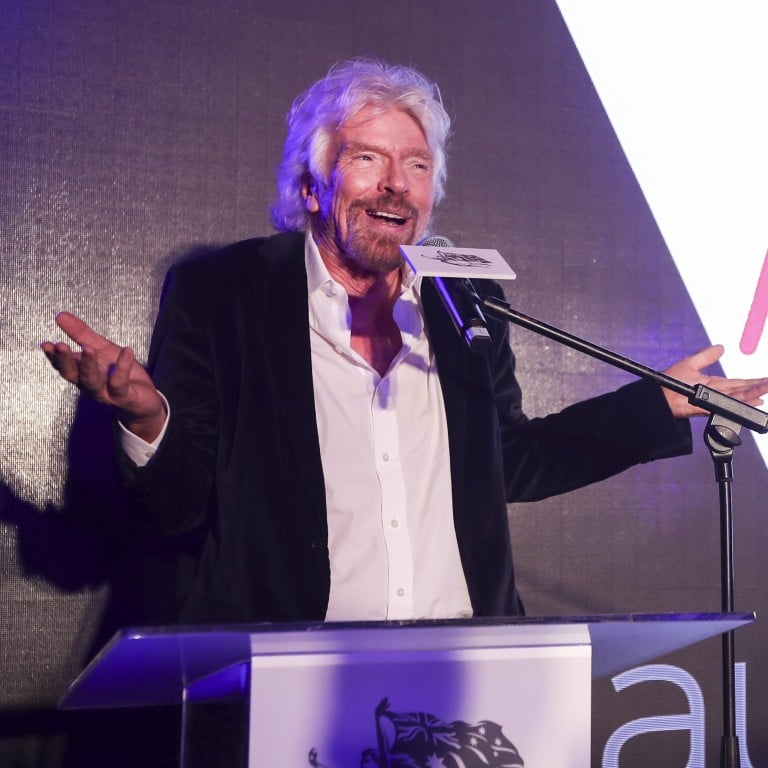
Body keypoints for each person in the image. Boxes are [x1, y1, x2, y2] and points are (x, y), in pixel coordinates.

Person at [42, 58, 768, 625]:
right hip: (292, 672)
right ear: (311, 186)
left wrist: (656, 406)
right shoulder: (224, 295)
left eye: (417, 166)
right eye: (367, 159)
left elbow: (508, 461)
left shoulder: (465, 301)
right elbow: (178, 506)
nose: (396, 185)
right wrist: (148, 419)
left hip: (463, 672)